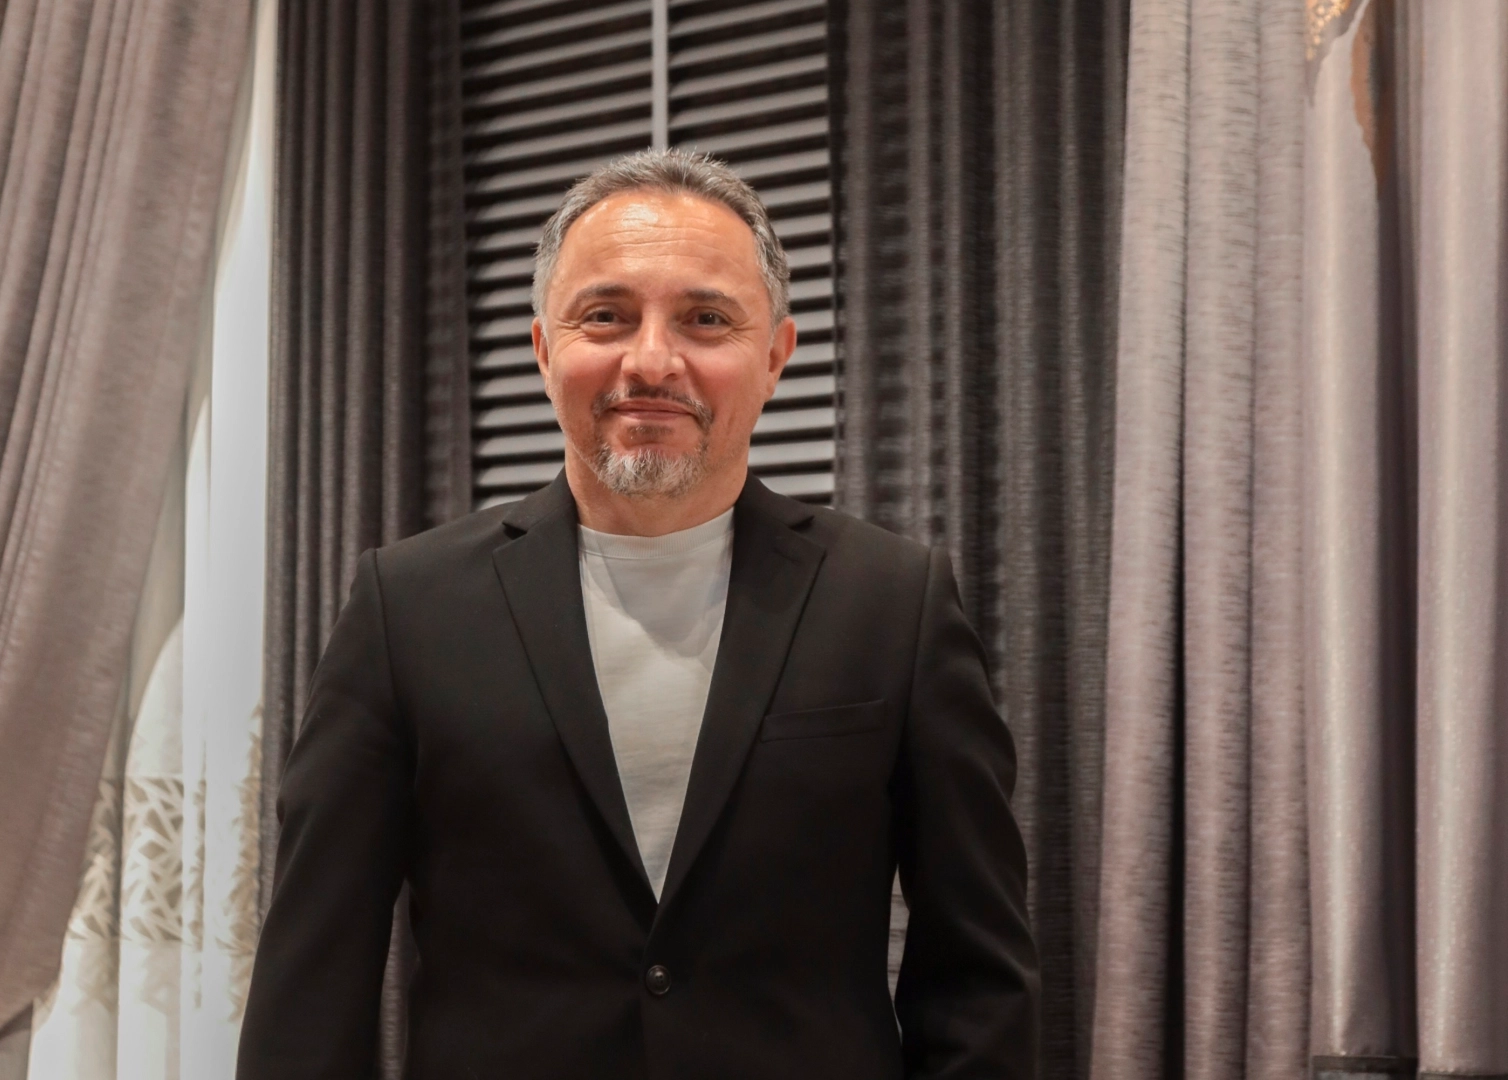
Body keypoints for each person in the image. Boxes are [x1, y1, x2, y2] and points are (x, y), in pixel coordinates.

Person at [237, 148, 1038, 1079]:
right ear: (545, 349)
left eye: (707, 319)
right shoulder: (404, 608)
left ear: (775, 356)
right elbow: (311, 985)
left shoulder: (895, 604)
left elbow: (978, 983)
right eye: (606, 316)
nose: (651, 360)